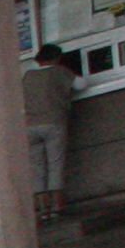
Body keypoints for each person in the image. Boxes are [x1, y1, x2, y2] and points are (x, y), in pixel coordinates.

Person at [23, 45, 79, 224]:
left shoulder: (28, 76)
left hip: (29, 127)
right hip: (53, 123)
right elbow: (81, 84)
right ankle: (56, 207)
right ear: (56, 58)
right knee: (55, 164)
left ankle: (42, 209)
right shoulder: (58, 72)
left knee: (37, 167)